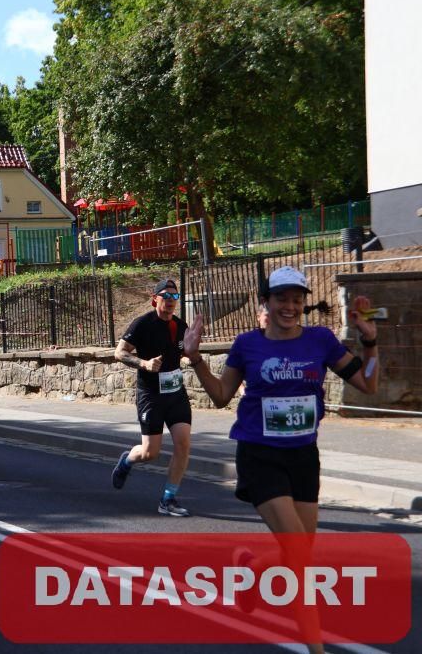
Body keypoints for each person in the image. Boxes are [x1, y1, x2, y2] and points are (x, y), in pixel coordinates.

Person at [183, 266, 379, 654]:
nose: (290, 307)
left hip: (303, 456)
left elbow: (368, 384)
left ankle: (251, 569)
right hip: (260, 455)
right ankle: (316, 649)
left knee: (300, 550)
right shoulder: (247, 344)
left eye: (297, 300)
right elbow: (221, 395)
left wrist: (370, 342)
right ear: (266, 303)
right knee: (301, 559)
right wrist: (195, 358)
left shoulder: (320, 341)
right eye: (281, 299)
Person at [111, 279, 193, 517]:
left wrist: (189, 357)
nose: (170, 300)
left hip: (175, 393)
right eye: (165, 296)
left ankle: (168, 499)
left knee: (183, 444)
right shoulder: (142, 324)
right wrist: (144, 363)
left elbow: (183, 352)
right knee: (150, 453)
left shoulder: (181, 325)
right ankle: (127, 461)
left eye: (174, 296)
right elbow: (120, 352)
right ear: (154, 299)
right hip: (151, 395)